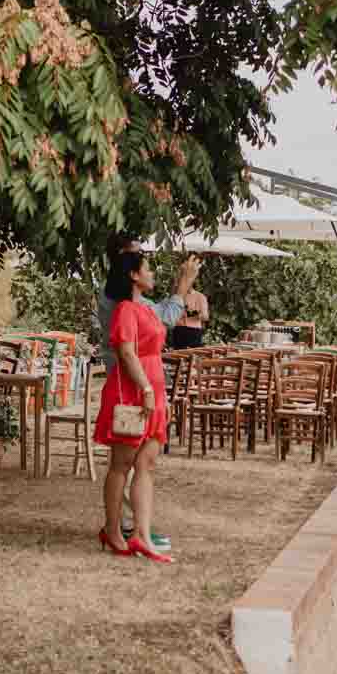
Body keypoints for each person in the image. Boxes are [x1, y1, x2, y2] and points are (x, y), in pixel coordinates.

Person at [93, 236, 197, 552]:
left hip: (153, 386)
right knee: (121, 464)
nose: (149, 266)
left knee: (147, 464)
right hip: (134, 388)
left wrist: (185, 284)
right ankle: (114, 530)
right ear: (130, 270)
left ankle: (141, 533)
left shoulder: (146, 307)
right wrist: (146, 388)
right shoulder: (122, 306)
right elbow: (126, 352)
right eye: (143, 261)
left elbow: (165, 319)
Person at [169, 278, 211, 350]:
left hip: (193, 331)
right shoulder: (176, 296)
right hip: (178, 330)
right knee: (177, 355)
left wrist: (191, 313)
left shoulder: (200, 297)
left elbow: (205, 316)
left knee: (193, 355)